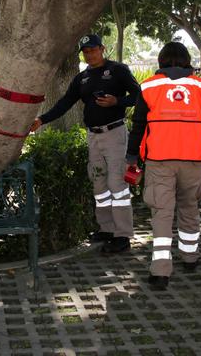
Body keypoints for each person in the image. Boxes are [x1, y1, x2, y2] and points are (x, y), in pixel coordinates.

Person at [30, 34, 141, 254]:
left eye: (93, 50)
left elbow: (139, 96)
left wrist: (117, 101)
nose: (89, 54)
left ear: (102, 48)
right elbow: (65, 103)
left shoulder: (118, 70)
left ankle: (123, 235)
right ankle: (107, 229)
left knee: (117, 185)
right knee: (99, 184)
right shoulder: (82, 78)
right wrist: (42, 120)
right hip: (93, 136)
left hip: (114, 133)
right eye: (85, 51)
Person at [126, 42, 201, 291]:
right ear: (187, 61)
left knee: (162, 213)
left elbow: (138, 126)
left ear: (161, 61)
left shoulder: (148, 87)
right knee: (190, 206)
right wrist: (192, 135)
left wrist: (131, 157)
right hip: (193, 160)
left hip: (160, 160)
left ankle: (160, 272)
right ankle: (190, 258)